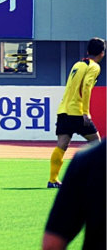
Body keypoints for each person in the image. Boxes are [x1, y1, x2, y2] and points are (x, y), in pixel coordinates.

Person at [48, 37, 104, 188]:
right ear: (102, 53)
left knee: (61, 145)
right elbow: (86, 87)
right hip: (78, 112)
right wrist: (86, 112)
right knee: (97, 145)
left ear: (88, 51)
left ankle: (52, 180)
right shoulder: (94, 67)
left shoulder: (78, 64)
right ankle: (95, 178)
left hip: (64, 111)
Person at [42, 141, 105, 249]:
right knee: (92, 139)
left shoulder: (87, 158)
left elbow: (52, 243)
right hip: (75, 125)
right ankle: (52, 180)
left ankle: (52, 180)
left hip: (94, 156)